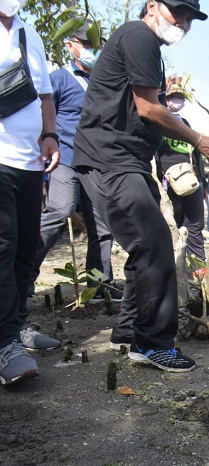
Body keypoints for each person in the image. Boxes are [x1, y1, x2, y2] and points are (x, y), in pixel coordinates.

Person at [73, 0, 209, 372]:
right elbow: (148, 108)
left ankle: (129, 331)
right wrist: (198, 139)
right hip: (109, 157)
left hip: (126, 159)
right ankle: (153, 342)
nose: (184, 24)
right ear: (152, 6)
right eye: (178, 14)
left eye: (191, 18)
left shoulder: (147, 47)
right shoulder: (139, 34)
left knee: (144, 246)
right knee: (154, 241)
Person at [24, 23, 122, 353]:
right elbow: (42, 113)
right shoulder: (59, 78)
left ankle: (100, 283)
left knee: (102, 225)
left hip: (94, 162)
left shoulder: (101, 81)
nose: (93, 49)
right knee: (61, 209)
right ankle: (24, 276)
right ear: (71, 45)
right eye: (85, 43)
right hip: (64, 157)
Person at [0, 0, 60, 384]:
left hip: (30, 162)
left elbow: (45, 95)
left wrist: (50, 135)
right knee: (2, 246)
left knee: (24, 246)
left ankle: (17, 322)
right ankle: (5, 344)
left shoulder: (29, 33)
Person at [156, 76, 207, 261]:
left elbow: (196, 151)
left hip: (190, 180)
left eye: (180, 97)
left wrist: (203, 182)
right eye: (172, 97)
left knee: (195, 224)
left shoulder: (184, 124)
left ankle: (198, 268)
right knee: (172, 224)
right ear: (164, 98)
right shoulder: (157, 123)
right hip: (167, 182)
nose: (176, 101)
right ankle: (173, 267)